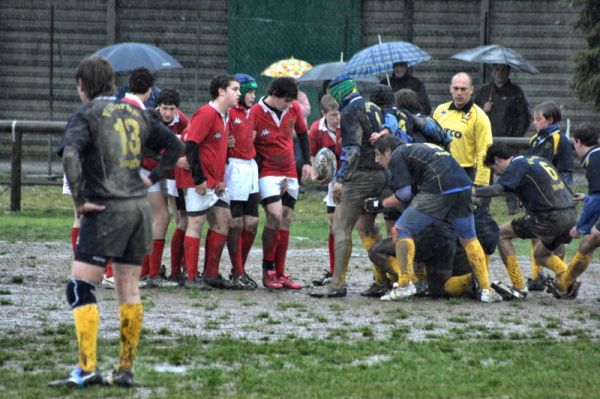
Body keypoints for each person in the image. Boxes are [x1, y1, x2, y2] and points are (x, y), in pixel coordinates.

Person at [49, 56, 184, 388]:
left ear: (82, 85)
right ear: (110, 83)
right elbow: (176, 144)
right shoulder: (135, 111)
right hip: (138, 209)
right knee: (128, 289)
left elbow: (69, 154)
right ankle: (124, 370)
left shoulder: (87, 113)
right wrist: (151, 180)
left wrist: (80, 200)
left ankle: (87, 368)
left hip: (106, 208)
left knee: (79, 286)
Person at [371, 135, 500, 302]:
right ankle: (486, 289)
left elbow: (404, 193)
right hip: (464, 186)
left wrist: (381, 203)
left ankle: (405, 284)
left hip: (439, 187)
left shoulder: (398, 154)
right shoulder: (419, 148)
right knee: (469, 238)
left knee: (403, 229)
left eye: (377, 155)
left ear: (387, 151)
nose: (376, 160)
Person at [308, 74, 388, 298]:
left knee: (341, 227)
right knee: (368, 228)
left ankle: (337, 284)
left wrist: (340, 179)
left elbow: (352, 150)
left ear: (340, 92)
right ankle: (382, 280)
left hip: (360, 176)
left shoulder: (351, 111)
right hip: (381, 173)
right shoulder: (372, 106)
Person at [474, 143, 577, 297]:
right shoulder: (537, 160)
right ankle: (568, 281)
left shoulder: (517, 164)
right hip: (570, 214)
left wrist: (475, 191)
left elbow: (499, 189)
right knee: (540, 254)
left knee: (501, 234)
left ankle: (519, 287)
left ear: (497, 160)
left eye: (494, 170)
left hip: (550, 217)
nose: (497, 175)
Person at [117, 68, 179, 288]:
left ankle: (148, 273)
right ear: (150, 90)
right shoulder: (137, 110)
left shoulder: (123, 105)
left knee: (156, 217)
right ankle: (118, 273)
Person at [177, 75, 240, 290]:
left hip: (216, 182)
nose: (238, 93)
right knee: (196, 224)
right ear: (221, 91)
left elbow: (218, 151)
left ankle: (211, 274)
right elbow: (191, 146)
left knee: (224, 219)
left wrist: (221, 178)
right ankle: (191, 278)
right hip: (200, 181)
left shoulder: (225, 115)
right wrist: (199, 179)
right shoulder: (205, 114)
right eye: (235, 89)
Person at [248, 77, 311, 289]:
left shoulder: (293, 109)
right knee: (273, 215)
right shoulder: (255, 112)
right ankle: (268, 269)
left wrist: (307, 163)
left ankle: (281, 273)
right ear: (274, 94)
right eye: (286, 100)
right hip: (267, 170)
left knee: (286, 220)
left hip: (289, 170)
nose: (289, 104)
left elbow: (303, 134)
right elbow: (248, 145)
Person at [368, 206, 499, 299]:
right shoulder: (460, 188)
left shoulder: (424, 183)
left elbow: (405, 196)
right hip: (459, 239)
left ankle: (408, 280)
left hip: (436, 236)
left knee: (377, 250)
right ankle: (477, 281)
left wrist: (382, 203)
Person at [525, 100, 574, 289]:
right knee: (535, 233)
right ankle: (536, 276)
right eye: (533, 119)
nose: (534, 123)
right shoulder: (535, 140)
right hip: (536, 196)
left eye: (538, 119)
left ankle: (564, 277)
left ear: (550, 119)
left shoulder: (559, 139)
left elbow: (566, 172)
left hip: (553, 198)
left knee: (555, 238)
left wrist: (563, 196)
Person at [548, 125, 600, 298]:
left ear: (577, 142)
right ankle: (564, 284)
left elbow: (597, 200)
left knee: (590, 239)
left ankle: (564, 284)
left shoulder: (594, 160)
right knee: (591, 241)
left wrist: (580, 227)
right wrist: (587, 197)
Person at [225, 73, 260, 289]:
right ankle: (238, 271)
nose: (253, 97)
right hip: (235, 167)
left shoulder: (251, 113)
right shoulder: (229, 112)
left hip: (251, 167)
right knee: (236, 223)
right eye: (250, 92)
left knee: (252, 222)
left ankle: (240, 269)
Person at [433, 72, 493, 190]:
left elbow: (485, 151)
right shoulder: (440, 110)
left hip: (465, 172)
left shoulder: (479, 117)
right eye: (456, 88)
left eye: (463, 89)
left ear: (471, 90)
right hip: (439, 169)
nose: (459, 93)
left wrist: (481, 183)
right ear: (450, 88)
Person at [155, 88, 190, 283]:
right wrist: (173, 160)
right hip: (154, 175)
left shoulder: (183, 122)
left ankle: (180, 267)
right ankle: (152, 267)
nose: (167, 113)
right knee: (158, 219)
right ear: (158, 107)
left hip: (175, 178)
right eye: (164, 108)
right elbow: (145, 150)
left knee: (181, 219)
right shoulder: (151, 119)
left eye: (172, 109)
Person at [308, 94, 342, 286]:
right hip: (332, 181)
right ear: (323, 114)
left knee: (353, 226)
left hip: (350, 179)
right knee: (333, 225)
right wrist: (317, 176)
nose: (338, 118)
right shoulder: (316, 130)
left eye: (339, 114)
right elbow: (314, 157)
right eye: (333, 115)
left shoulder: (345, 127)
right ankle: (333, 270)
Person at [474, 64, 531, 137]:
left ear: (508, 72)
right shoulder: (483, 91)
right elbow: (472, 115)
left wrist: (514, 138)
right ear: (492, 72)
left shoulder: (516, 92)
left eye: (503, 70)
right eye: (497, 70)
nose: (500, 73)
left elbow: (524, 118)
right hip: (485, 140)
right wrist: (483, 110)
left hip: (508, 142)